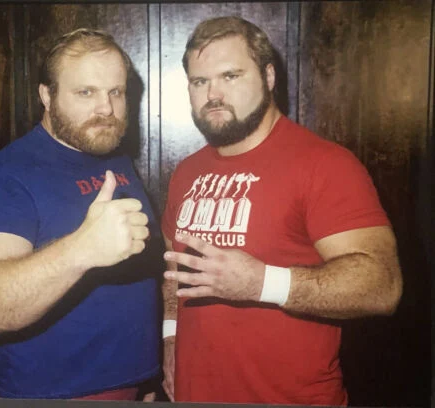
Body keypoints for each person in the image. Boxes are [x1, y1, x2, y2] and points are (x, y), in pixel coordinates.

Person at [161, 16, 403, 406]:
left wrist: (262, 283)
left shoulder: (325, 165)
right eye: (199, 81)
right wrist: (171, 339)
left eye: (231, 76)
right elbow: (174, 269)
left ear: (269, 76)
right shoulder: (186, 172)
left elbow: (382, 285)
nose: (213, 94)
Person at [0, 28, 160, 400]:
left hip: (132, 385)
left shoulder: (112, 154)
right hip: (45, 395)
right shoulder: (5, 175)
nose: (106, 109)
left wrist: (146, 378)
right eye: (86, 92)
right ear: (46, 96)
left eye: (116, 92)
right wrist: (82, 249)